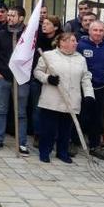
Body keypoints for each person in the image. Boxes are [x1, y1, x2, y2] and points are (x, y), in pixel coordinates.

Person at [33, 32, 94, 163]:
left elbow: (86, 77)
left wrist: (89, 95)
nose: (76, 43)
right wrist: (48, 78)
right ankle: (45, 151)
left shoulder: (81, 59)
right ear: (62, 42)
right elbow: (37, 72)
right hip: (52, 98)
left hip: (71, 99)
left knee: (66, 129)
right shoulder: (48, 56)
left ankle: (62, 152)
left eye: (75, 40)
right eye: (72, 40)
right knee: (48, 128)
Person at [0, 7, 30, 155]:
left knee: (21, 112)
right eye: (9, 15)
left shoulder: (27, 35)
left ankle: (22, 142)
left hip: (21, 79)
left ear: (21, 18)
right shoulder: (1, 34)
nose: (10, 17)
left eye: (13, 15)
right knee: (1, 110)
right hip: (3, 78)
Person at [77, 21, 104, 160]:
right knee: (80, 115)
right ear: (89, 31)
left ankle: (94, 145)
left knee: (97, 117)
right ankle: (73, 141)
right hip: (81, 87)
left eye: (101, 30)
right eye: (95, 30)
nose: (98, 33)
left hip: (101, 88)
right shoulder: (80, 45)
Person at [30, 15, 61, 147]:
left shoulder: (61, 41)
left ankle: (54, 135)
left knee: (54, 109)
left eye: (48, 24)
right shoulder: (37, 39)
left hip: (55, 81)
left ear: (55, 27)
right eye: (44, 23)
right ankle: (38, 134)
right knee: (37, 108)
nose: (44, 25)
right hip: (38, 78)